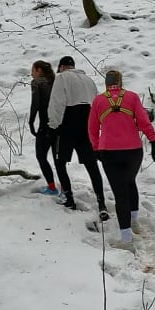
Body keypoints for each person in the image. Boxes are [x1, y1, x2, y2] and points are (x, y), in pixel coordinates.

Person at [88, 70, 155, 249]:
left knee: (120, 193)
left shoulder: (98, 101)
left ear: (106, 84)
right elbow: (144, 122)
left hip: (109, 152)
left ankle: (126, 238)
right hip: (134, 151)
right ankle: (134, 222)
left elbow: (92, 128)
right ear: (121, 83)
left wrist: (96, 148)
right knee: (130, 182)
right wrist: (154, 142)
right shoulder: (132, 97)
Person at [46, 56, 107, 218]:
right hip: (87, 124)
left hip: (68, 124)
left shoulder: (62, 78)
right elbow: (97, 104)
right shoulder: (88, 80)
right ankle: (101, 203)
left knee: (60, 162)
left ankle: (69, 198)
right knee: (92, 165)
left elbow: (57, 103)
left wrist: (52, 126)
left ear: (62, 67)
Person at [29, 60, 60, 195]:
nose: (31, 73)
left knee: (41, 156)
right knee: (58, 159)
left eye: (33, 70)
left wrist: (31, 122)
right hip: (59, 125)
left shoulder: (37, 83)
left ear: (39, 70)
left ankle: (52, 187)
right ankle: (66, 188)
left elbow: (35, 103)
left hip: (45, 125)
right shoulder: (57, 82)